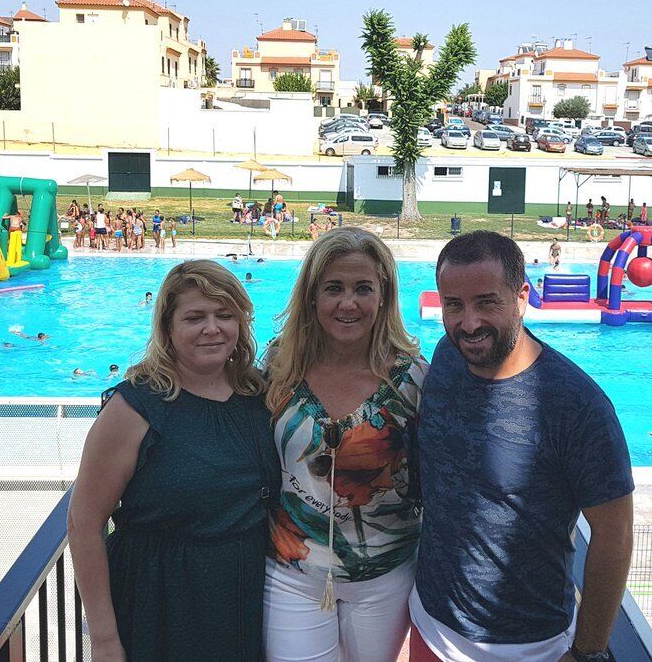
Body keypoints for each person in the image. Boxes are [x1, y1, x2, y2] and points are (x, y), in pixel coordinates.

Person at [411, 230, 634, 662]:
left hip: (527, 648)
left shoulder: (576, 405)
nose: (469, 323)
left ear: (521, 297)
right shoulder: (447, 358)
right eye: (454, 305)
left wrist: (587, 652)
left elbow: (614, 534)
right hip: (431, 625)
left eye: (486, 302)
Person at [67, 261, 279, 661]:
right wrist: (105, 639)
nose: (212, 328)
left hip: (241, 598)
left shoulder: (258, 396)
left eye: (224, 315)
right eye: (195, 317)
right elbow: (84, 523)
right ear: (168, 328)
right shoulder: (134, 409)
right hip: (159, 601)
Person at [263, 228, 425, 662]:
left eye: (363, 289)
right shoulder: (279, 367)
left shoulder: (412, 380)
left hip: (385, 577)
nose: (348, 303)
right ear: (312, 296)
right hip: (292, 571)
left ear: (383, 296)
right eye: (333, 288)